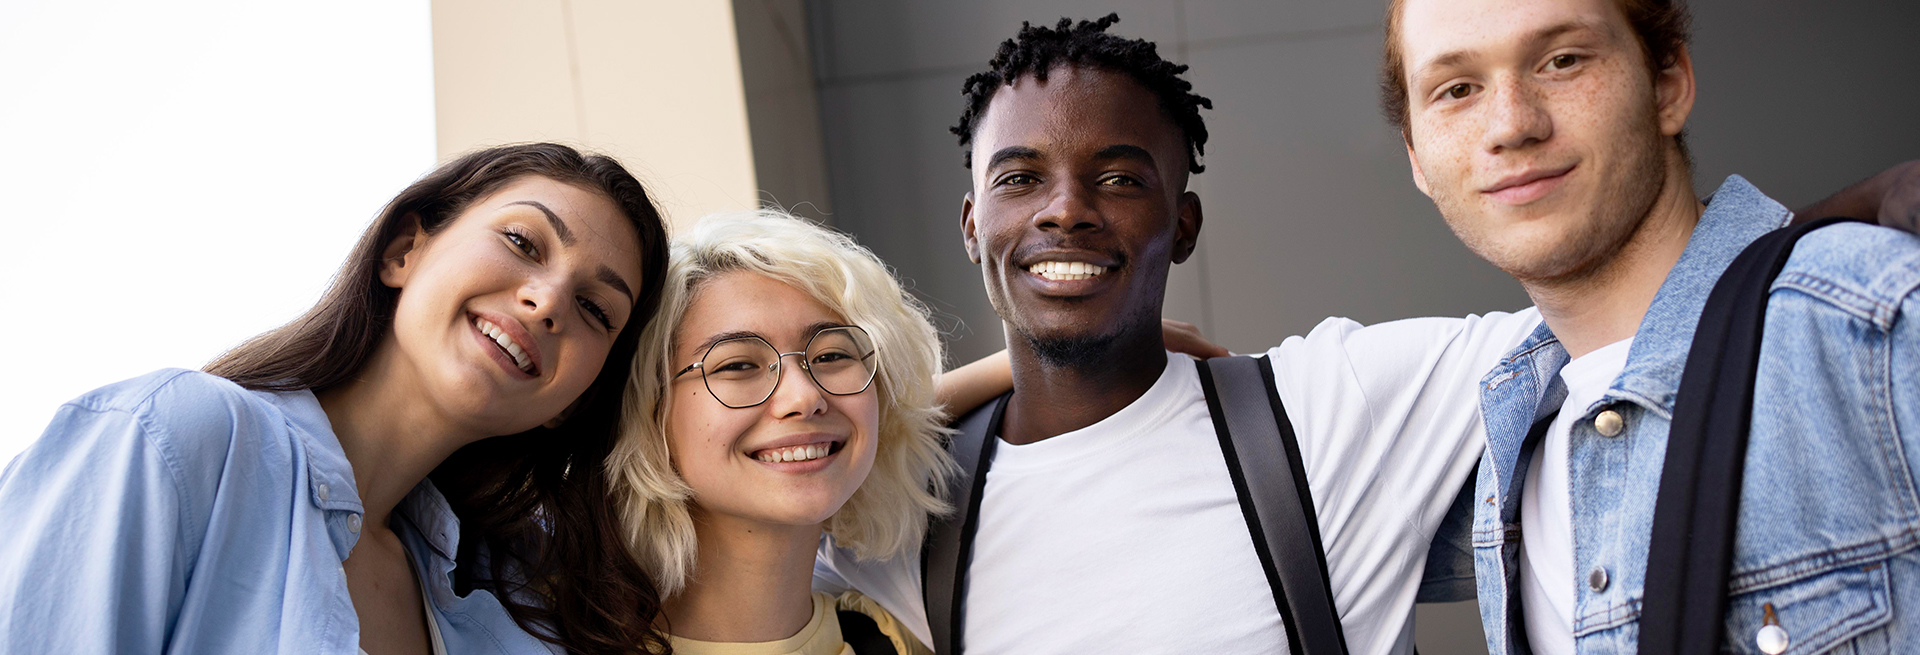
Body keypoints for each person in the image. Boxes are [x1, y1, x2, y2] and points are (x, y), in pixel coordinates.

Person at [816, 13, 1920, 655]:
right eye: (1020, 180)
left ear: (1183, 222)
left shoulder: (1325, 407)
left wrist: (1849, 223)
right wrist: (944, 391)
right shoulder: (894, 503)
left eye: (1120, 176)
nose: (1065, 210)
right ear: (973, 224)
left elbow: (1651, 307)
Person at [1381, 0, 1920, 651]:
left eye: (1562, 60)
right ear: (1416, 156)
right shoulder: (1503, 446)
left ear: (1669, 85)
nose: (1512, 124)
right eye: (1457, 89)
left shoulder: (1879, 322)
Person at [0, 143, 672, 655]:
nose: (548, 299)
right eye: (523, 241)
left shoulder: (518, 606)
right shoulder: (175, 436)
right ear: (404, 250)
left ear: (574, 401)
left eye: (594, 307)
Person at [607, 210, 955, 655]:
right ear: (647, 409)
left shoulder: (895, 641)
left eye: (831, 356)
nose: (803, 397)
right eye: (736, 365)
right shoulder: (534, 637)